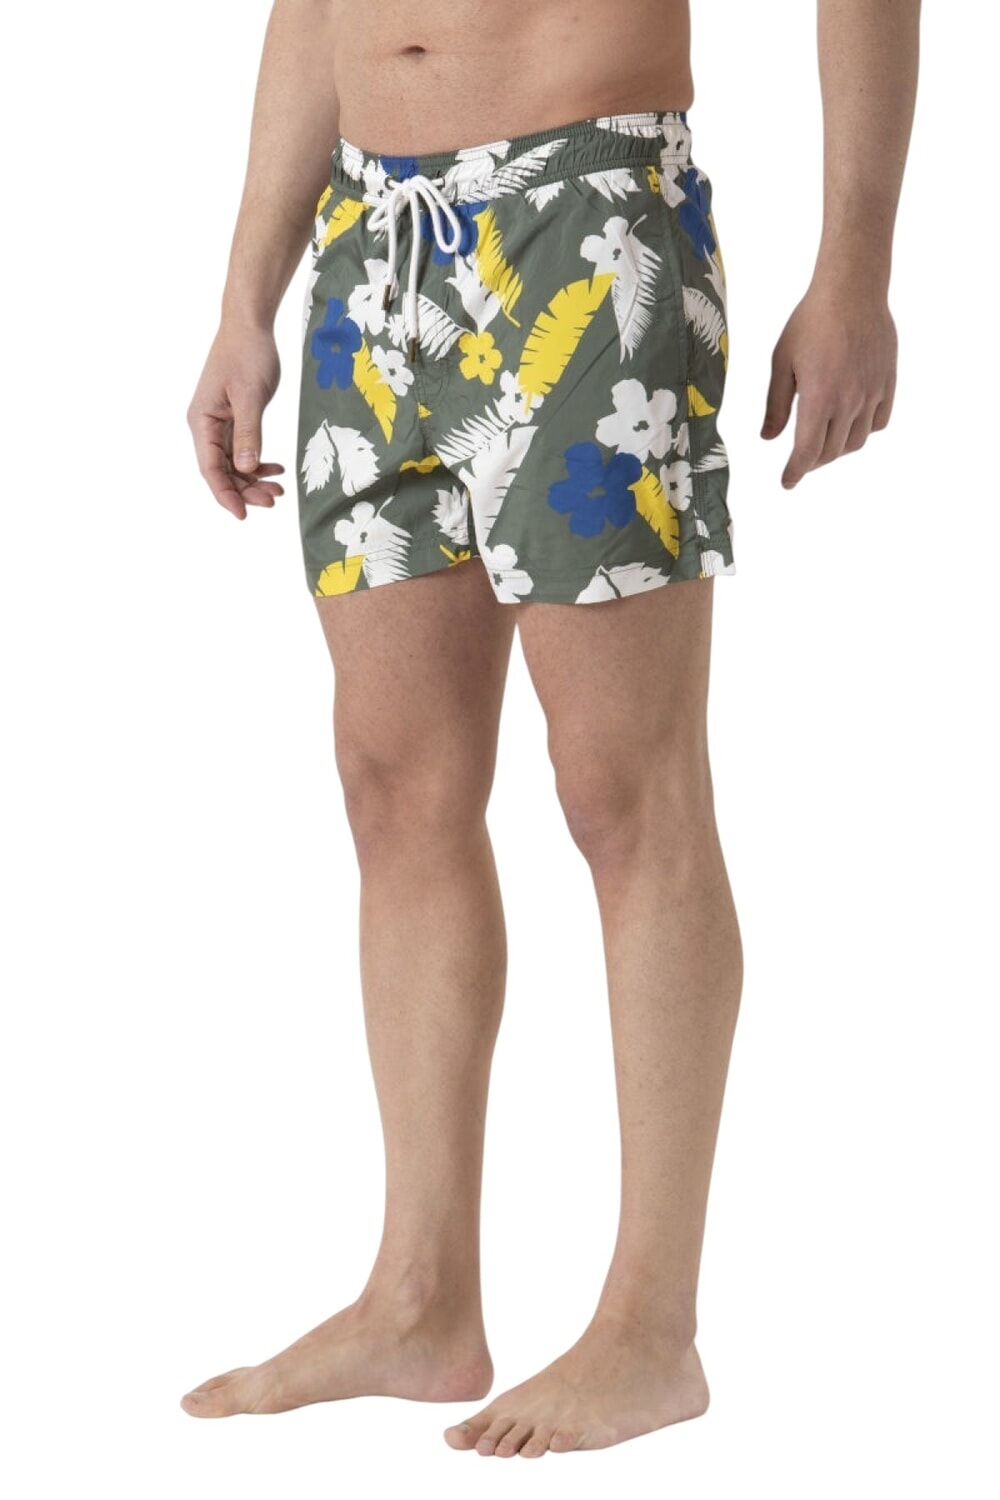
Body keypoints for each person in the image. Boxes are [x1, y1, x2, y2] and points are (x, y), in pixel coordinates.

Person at [182, 0, 919, 1457]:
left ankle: (651, 1330)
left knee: (623, 794)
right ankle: (419, 1301)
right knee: (394, 786)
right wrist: (241, 300)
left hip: (587, 212)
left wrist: (857, 265)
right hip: (372, 246)